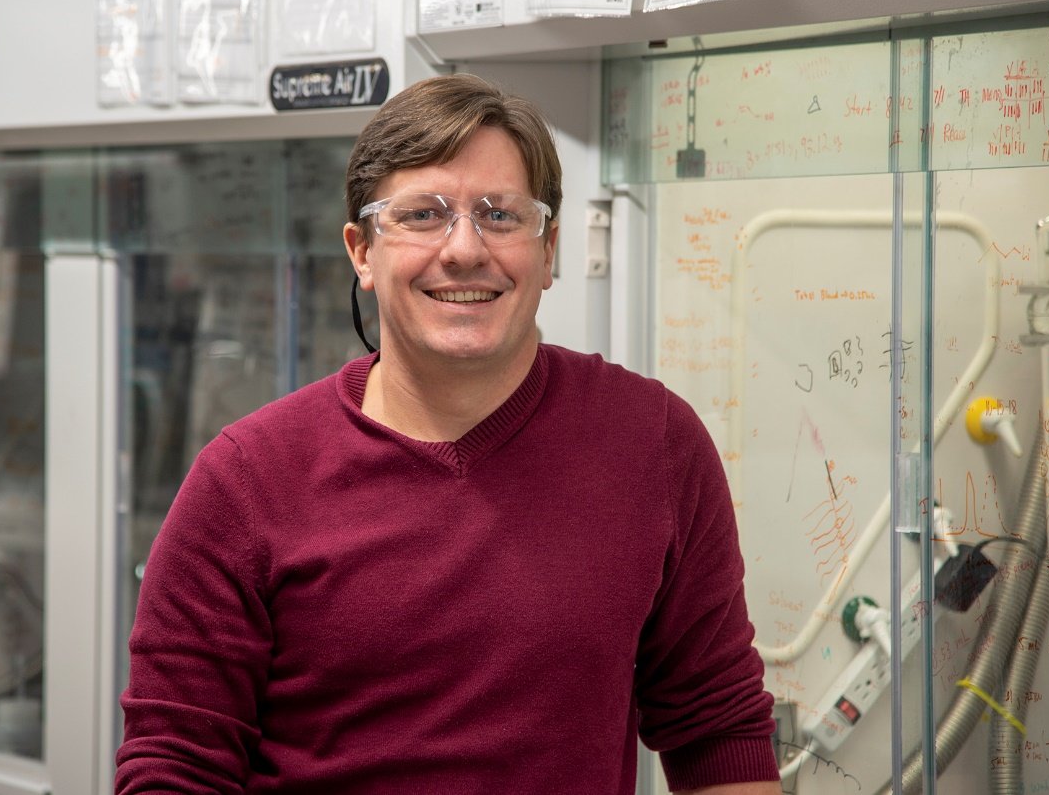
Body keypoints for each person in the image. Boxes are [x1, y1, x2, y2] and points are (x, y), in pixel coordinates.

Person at [116, 73, 782, 794]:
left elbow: (717, 731)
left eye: (499, 216)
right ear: (362, 252)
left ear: (549, 249)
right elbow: (173, 768)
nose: (464, 249)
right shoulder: (245, 481)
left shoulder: (652, 443)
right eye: (423, 215)